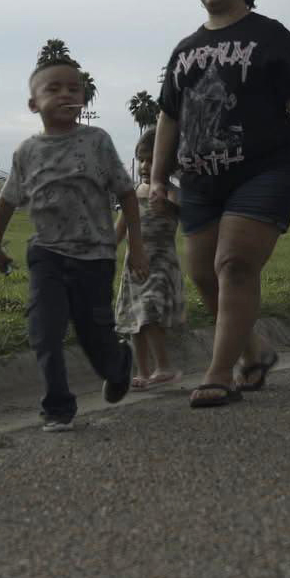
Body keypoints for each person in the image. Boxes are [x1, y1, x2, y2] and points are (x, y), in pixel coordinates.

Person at [150, 0, 290, 408]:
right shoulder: (185, 49)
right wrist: (156, 177)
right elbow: (169, 118)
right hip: (200, 181)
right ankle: (254, 353)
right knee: (203, 275)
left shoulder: (270, 36)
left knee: (233, 264)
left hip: (265, 169)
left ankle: (219, 373)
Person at [0, 58, 148, 431]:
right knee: (44, 331)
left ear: (83, 97)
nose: (65, 94)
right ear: (33, 104)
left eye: (73, 88)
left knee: (95, 335)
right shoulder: (26, 152)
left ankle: (118, 364)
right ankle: (58, 406)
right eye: (53, 88)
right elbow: (8, 199)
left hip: (95, 257)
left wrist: (136, 248)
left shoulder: (97, 142)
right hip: (46, 254)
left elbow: (127, 194)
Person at [116, 128, 185, 389]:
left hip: (160, 265)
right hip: (134, 267)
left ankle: (164, 366)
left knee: (148, 310)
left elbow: (186, 214)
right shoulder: (134, 193)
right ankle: (143, 373)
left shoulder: (172, 191)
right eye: (142, 159)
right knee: (136, 320)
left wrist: (169, 205)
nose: (145, 165)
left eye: (152, 160)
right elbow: (120, 230)